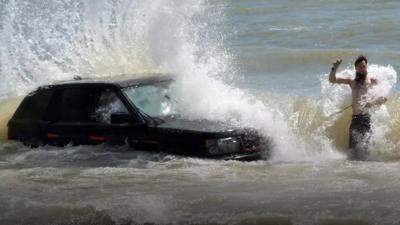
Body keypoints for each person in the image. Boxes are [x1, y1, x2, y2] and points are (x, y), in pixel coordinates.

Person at [328, 55, 387, 160]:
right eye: (359, 67)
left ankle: (367, 169)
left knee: (366, 149)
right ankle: (353, 171)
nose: (361, 69)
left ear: (366, 67)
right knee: (352, 149)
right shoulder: (351, 81)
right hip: (355, 119)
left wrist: (371, 103)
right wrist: (334, 68)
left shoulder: (372, 80)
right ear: (356, 68)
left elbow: (384, 98)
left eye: (363, 66)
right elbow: (332, 80)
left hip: (366, 118)